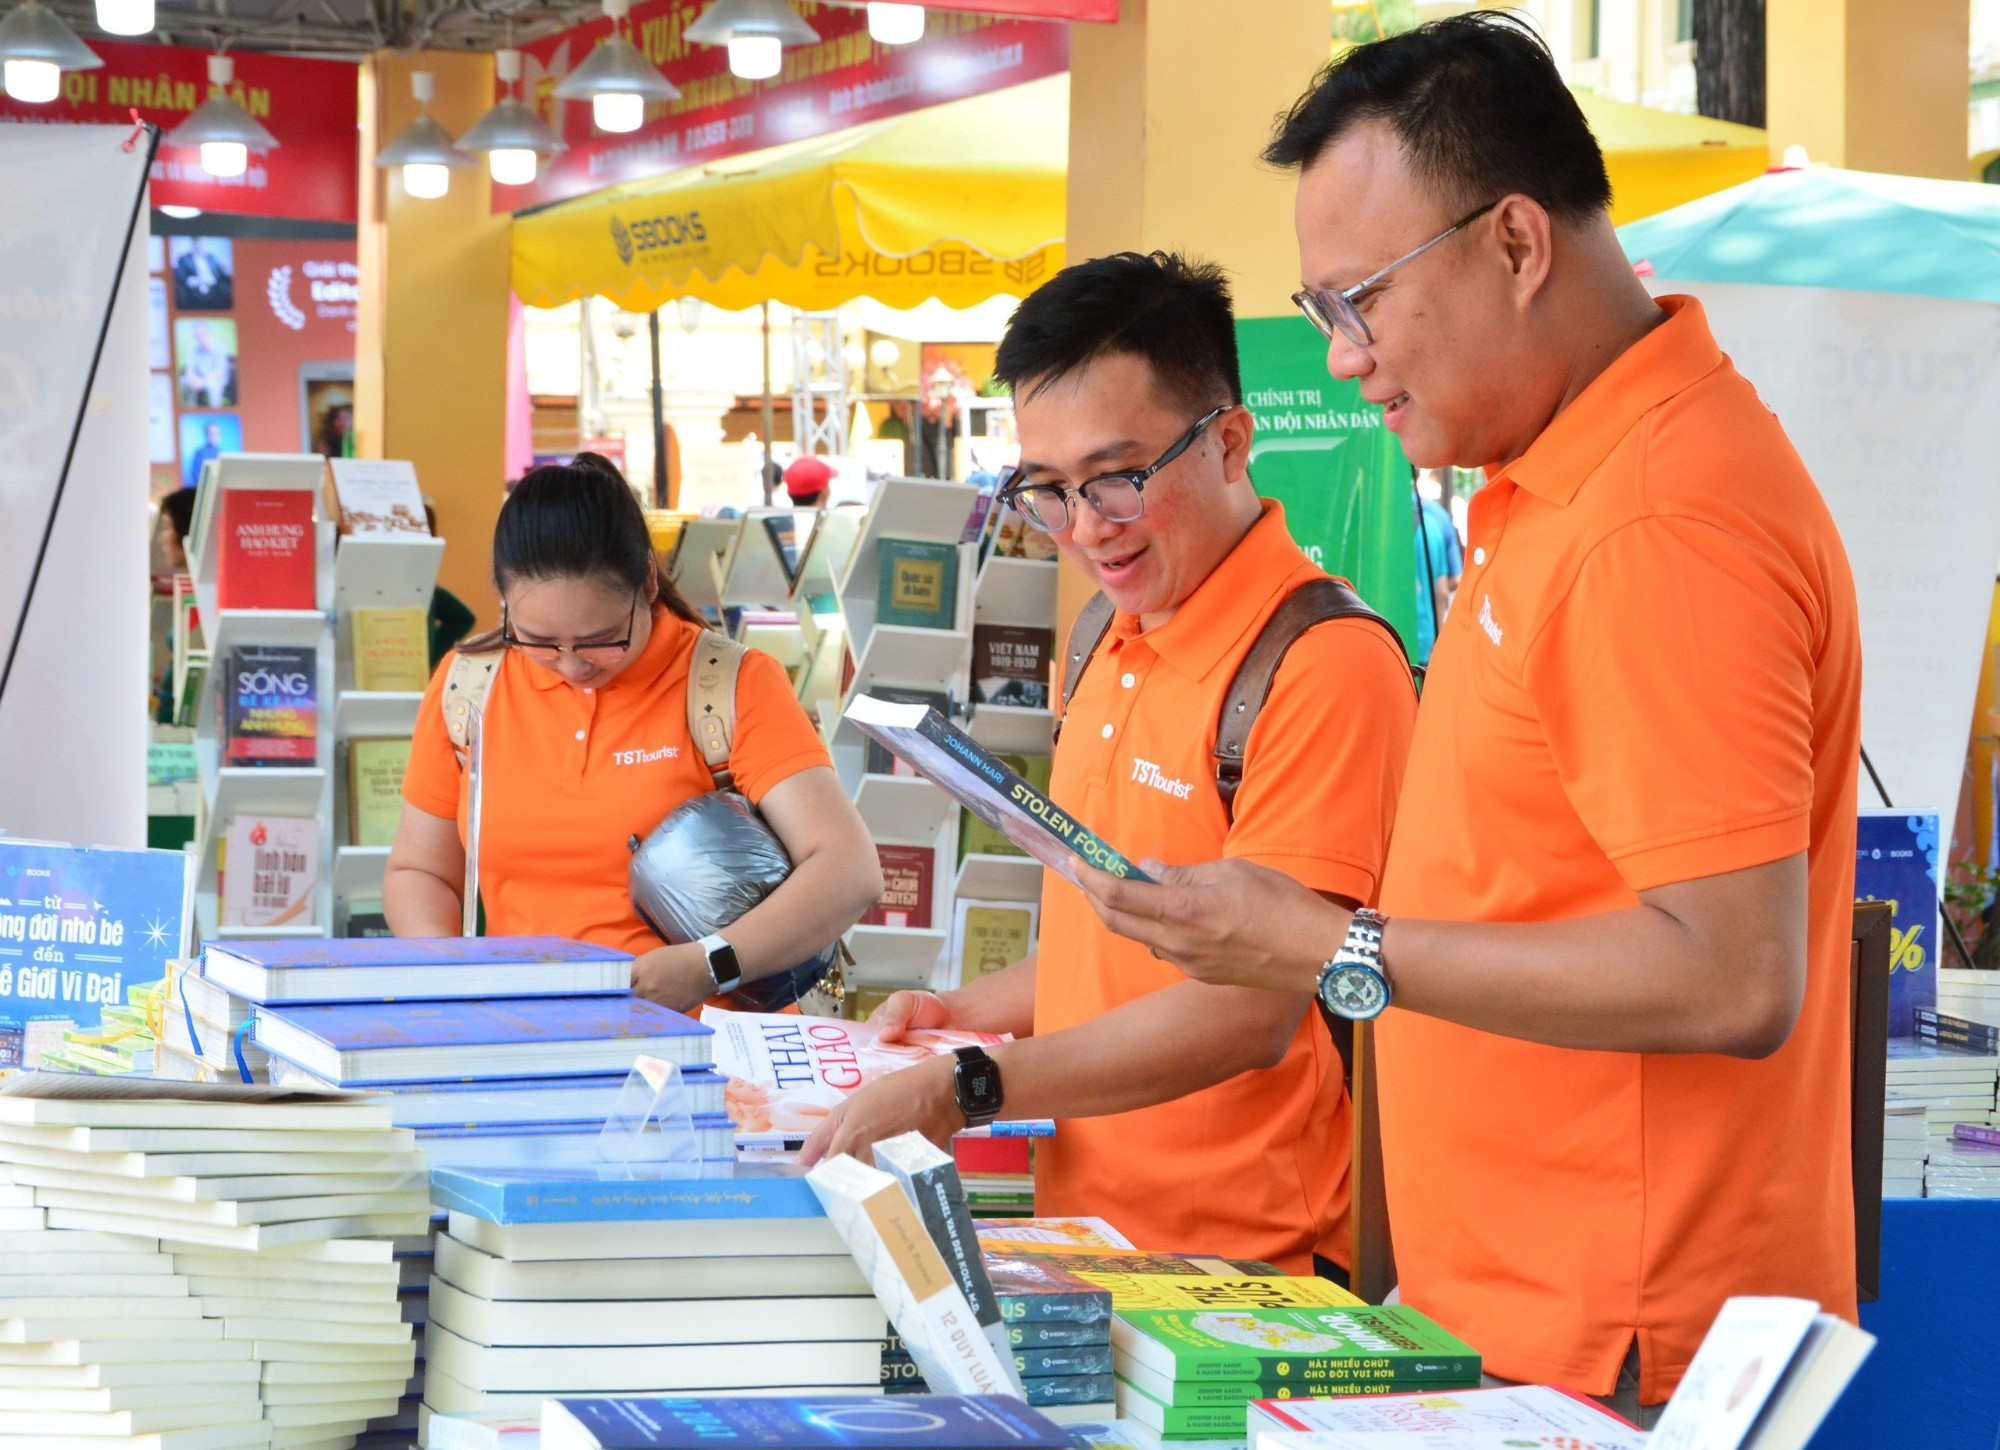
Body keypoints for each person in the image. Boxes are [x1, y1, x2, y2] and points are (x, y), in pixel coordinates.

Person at [1070, 14, 1861, 1421]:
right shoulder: (1561, 476)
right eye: (1321, 311)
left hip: (1616, 1329)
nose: (1343, 359)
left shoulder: (1657, 520)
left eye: (1358, 302)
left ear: (1514, 242)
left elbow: (1731, 974)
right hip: (1522, 1302)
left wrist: (1330, 945)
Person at [799, 253, 1418, 1277]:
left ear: (1229, 441)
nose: (1087, 528)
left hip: (1256, 1267)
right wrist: (962, 1018)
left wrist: (969, 1083)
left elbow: (1251, 1008)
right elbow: (1110, 951)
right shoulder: (1101, 632)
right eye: (1047, 491)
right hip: (1087, 1237)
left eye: (1119, 479)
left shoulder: (1321, 663)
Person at [384, 453, 884, 1010]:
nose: (572, 665)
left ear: (647, 581)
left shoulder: (727, 685)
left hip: (706, 1042)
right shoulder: (468, 687)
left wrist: (709, 966)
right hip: (525, 1032)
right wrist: (449, 972)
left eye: (602, 639)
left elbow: (848, 869)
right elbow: (420, 870)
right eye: (538, 641)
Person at [1411, 472, 1461, 666]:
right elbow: (1442, 591)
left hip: (1385, 640)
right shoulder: (1432, 523)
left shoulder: (1376, 521)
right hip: (1425, 642)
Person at [172, 236, 233, 311]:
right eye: (201, 244)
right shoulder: (184, 259)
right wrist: (196, 281)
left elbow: (219, 274)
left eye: (206, 244)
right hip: (193, 290)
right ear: (194, 244)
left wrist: (225, 269)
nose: (204, 246)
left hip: (214, 289)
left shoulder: (211, 257)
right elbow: (180, 275)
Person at [183, 421, 225, 491]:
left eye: (217, 433)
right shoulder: (200, 452)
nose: (214, 436)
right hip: (204, 489)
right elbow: (195, 474)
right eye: (211, 433)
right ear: (207, 434)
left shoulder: (221, 452)